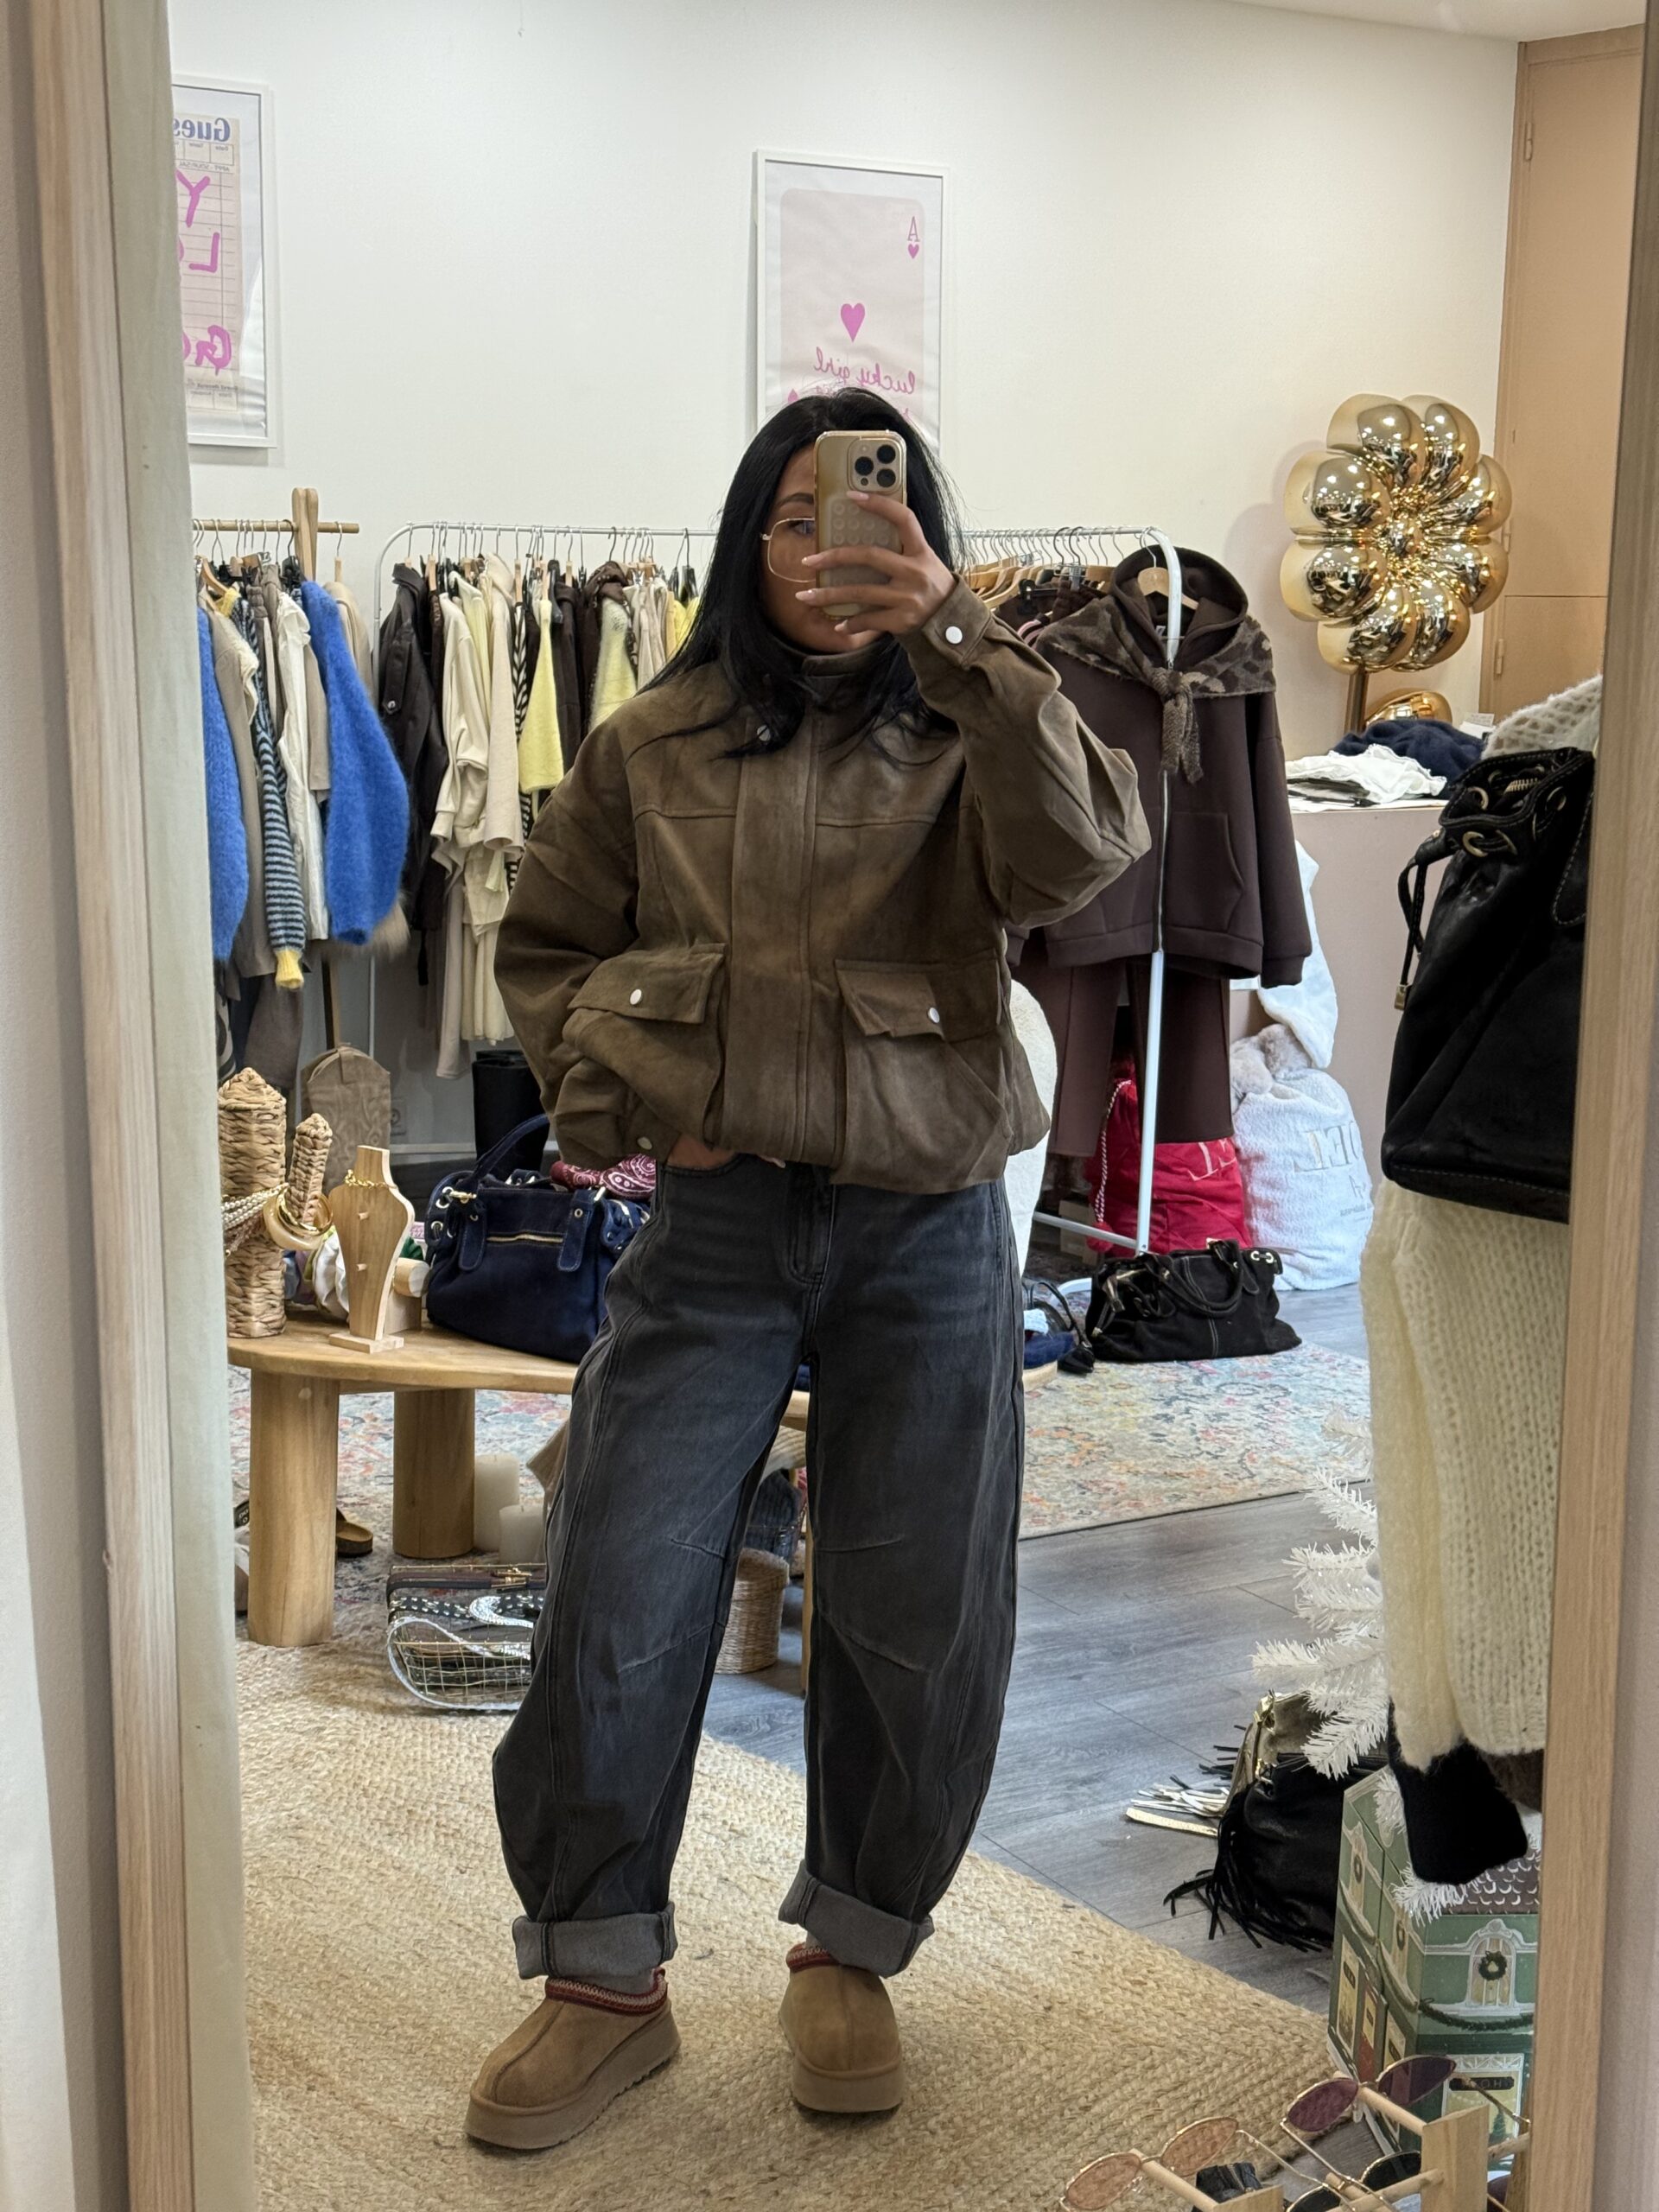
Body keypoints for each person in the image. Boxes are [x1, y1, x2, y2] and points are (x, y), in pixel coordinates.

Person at [466, 391, 1147, 2152]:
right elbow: (546, 949)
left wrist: (963, 634)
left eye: (870, 516)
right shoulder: (654, 739)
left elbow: (1086, 859)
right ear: (746, 544)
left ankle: (854, 1944)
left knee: (918, 1601)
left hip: (930, 1221)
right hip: (717, 1225)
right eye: (796, 519)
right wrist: (629, 1101)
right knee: (620, 1576)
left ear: (919, 534)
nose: (831, 549)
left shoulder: (976, 722)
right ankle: (600, 1978)